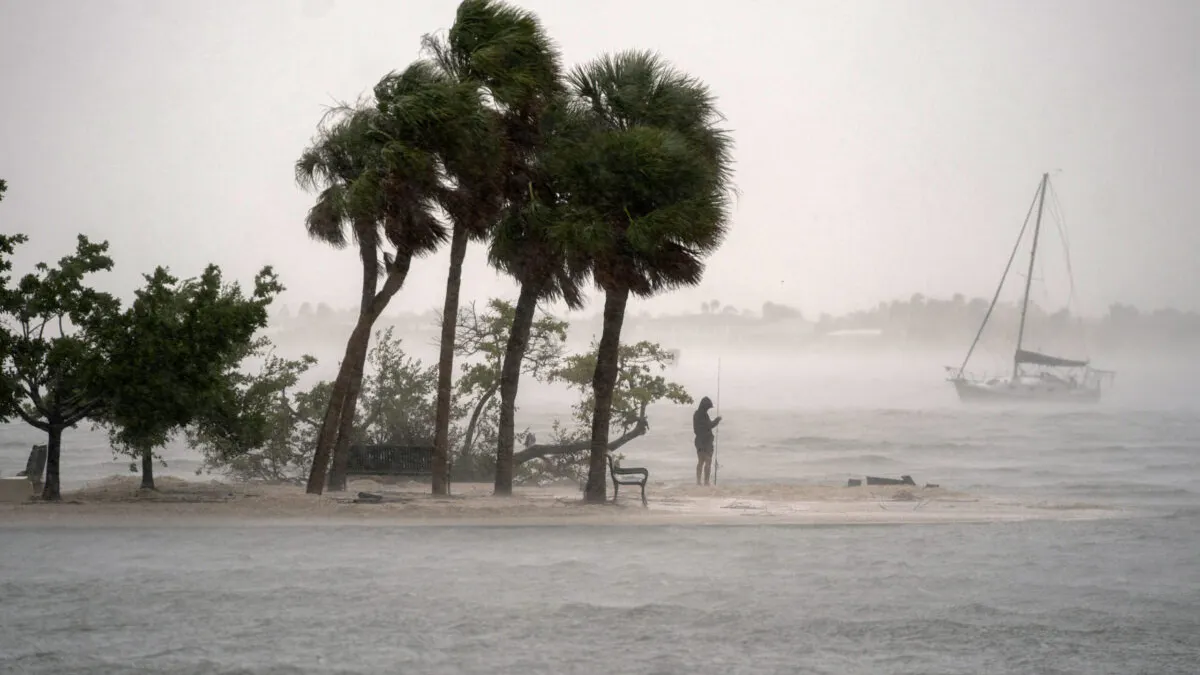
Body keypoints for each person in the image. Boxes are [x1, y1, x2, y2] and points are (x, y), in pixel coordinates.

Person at [693, 396, 722, 486]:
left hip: (701, 441)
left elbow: (706, 426)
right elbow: (709, 425)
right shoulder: (701, 415)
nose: (708, 409)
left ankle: (700, 481)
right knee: (707, 460)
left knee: (701, 461)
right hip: (703, 442)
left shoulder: (699, 414)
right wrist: (717, 420)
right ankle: (705, 482)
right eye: (708, 407)